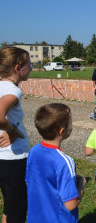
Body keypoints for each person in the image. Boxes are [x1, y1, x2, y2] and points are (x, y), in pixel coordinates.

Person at [26, 103, 87, 223]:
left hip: (36, 217)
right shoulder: (65, 162)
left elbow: (29, 182)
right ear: (62, 131)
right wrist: (81, 186)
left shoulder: (33, 151)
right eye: (70, 122)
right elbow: (70, 204)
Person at [0, 47, 31, 223]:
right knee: (17, 211)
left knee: (9, 206)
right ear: (17, 68)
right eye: (29, 64)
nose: (31, 68)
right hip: (13, 158)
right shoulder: (13, 91)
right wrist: (14, 131)